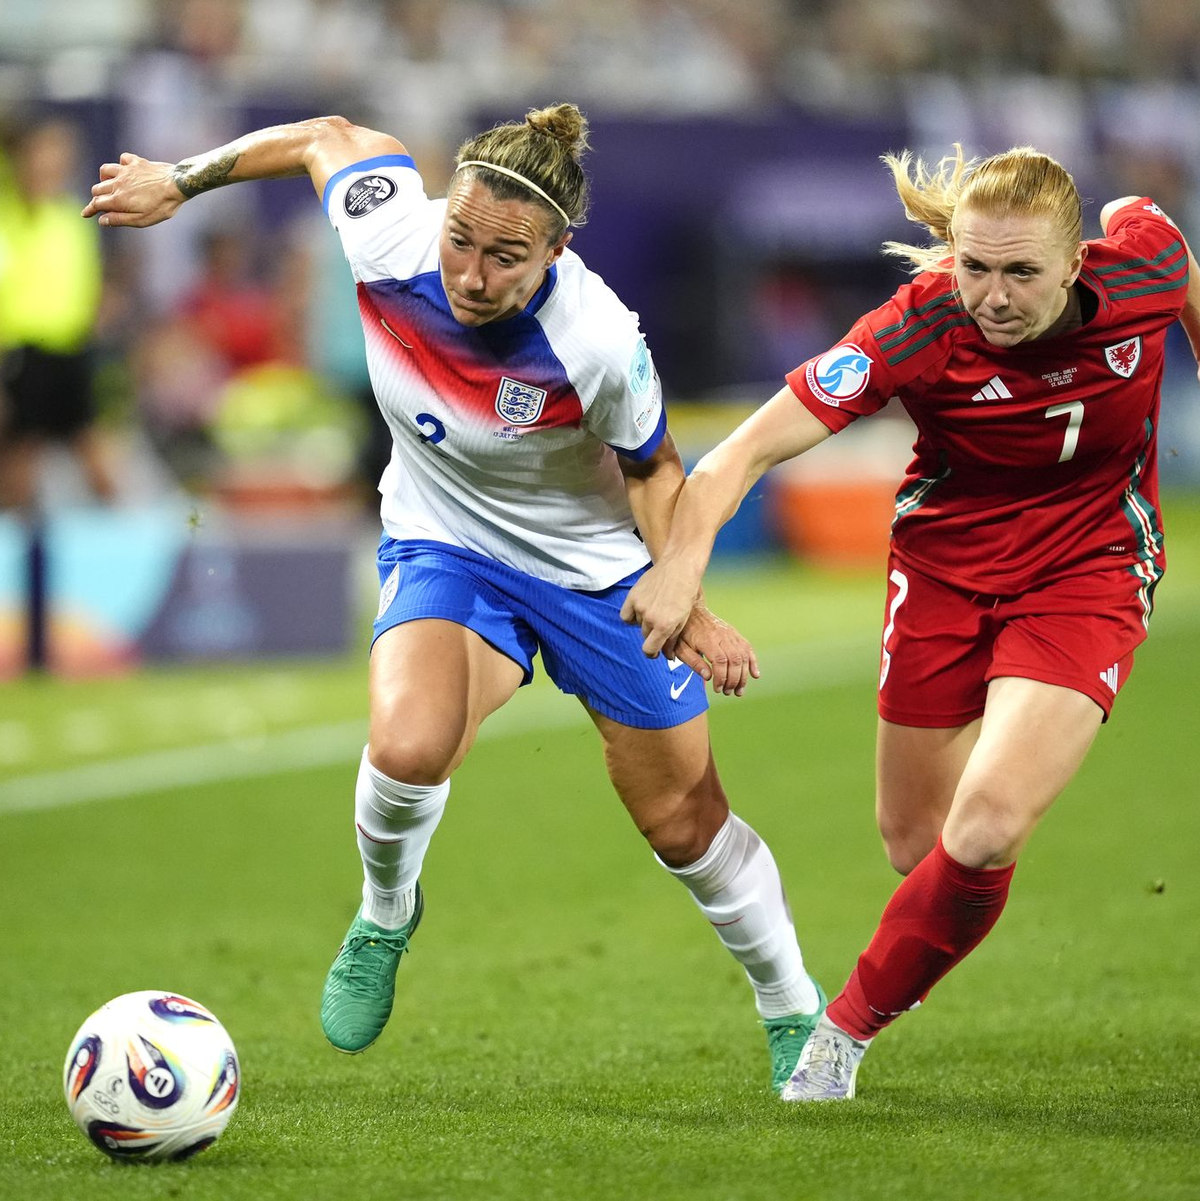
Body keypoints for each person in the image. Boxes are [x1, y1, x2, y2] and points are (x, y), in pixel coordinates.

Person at [82, 104, 825, 1090]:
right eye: (462, 239)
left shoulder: (597, 339)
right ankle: (386, 914)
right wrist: (180, 178)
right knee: (407, 743)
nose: (472, 273)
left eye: (505, 257)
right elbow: (325, 135)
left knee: (684, 823)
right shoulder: (388, 227)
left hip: (595, 572)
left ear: (558, 248)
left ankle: (791, 1004)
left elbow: (654, 470)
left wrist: (679, 592)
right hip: (450, 545)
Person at [621, 144, 1200, 1101]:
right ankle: (931, 929)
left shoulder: (1142, 267)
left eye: (1021, 272)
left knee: (985, 825)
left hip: (1089, 567)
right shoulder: (919, 326)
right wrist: (680, 571)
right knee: (914, 842)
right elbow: (736, 457)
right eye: (976, 266)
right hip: (944, 572)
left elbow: (1170, 254)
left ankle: (839, 1034)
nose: (994, 295)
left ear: (1073, 263)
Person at [0, 116, 115, 511]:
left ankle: (125, 554)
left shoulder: (72, 218)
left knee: (95, 457)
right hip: (21, 357)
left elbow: (87, 285)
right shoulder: (9, 215)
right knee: (19, 461)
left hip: (71, 353)